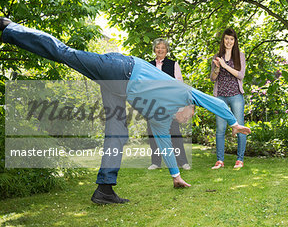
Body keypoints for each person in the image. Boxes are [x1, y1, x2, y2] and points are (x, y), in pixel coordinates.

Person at [0, 18, 251, 204]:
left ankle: (104, 190)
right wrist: (233, 123)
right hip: (120, 69)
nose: (186, 121)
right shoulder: (182, 92)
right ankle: (9, 29)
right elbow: (215, 102)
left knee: (118, 131)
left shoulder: (161, 119)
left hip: (118, 88)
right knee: (66, 54)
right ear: (187, 109)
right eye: (189, 116)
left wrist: (175, 176)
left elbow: (165, 145)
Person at [146, 38, 190, 171]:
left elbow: (179, 86)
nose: (160, 50)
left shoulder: (173, 64)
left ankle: (182, 162)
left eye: (163, 48)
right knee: (153, 133)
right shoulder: (148, 65)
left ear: (166, 50)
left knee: (175, 133)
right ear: (154, 50)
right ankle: (156, 162)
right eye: (158, 47)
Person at [210, 28, 247, 169]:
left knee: (240, 127)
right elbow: (212, 78)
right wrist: (218, 68)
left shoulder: (240, 56)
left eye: (232, 39)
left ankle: (240, 159)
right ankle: (220, 160)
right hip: (220, 96)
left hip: (236, 95)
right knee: (220, 128)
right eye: (226, 39)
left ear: (235, 41)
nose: (229, 42)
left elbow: (241, 75)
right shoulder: (217, 56)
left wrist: (226, 65)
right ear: (223, 40)